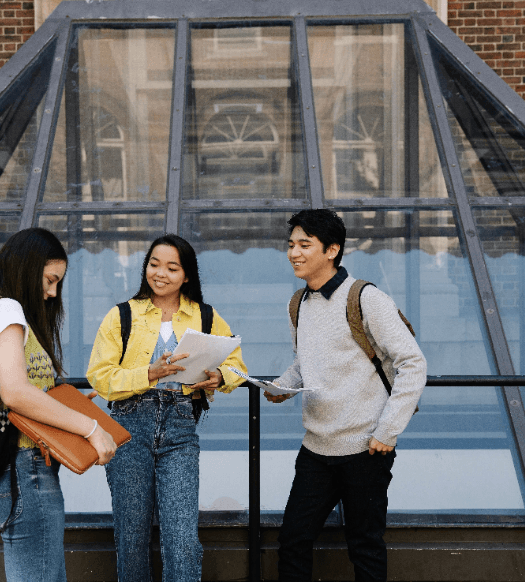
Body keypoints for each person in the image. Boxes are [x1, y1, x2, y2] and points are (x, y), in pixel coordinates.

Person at [266, 209, 426, 582]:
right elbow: (303, 363)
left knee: (365, 547)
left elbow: (413, 363)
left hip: (365, 449)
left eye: (305, 245)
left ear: (332, 249)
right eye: (291, 245)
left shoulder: (365, 298)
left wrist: (387, 431)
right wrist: (281, 387)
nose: (294, 253)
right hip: (315, 449)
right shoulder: (297, 304)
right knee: (292, 541)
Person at [86, 233, 246, 582]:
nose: (160, 273)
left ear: (186, 275)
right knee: (131, 537)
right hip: (129, 424)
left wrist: (220, 377)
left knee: (183, 538)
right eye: (154, 264)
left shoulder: (204, 315)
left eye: (172, 268)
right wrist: (148, 373)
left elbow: (237, 365)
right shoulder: (122, 315)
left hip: (180, 425)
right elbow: (99, 376)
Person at [0, 227, 117, 582]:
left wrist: (65, 409)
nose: (52, 293)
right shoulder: (6, 309)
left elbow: (14, 391)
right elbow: (15, 394)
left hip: (17, 467)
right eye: (50, 280)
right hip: (24, 466)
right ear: (26, 267)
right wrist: (91, 427)